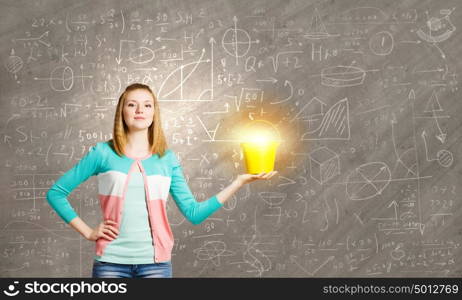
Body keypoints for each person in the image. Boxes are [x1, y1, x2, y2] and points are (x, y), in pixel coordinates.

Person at [46, 83, 278, 278]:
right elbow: (55, 193)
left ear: (154, 113)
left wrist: (239, 182)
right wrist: (88, 232)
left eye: (147, 105)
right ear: (122, 112)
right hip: (110, 264)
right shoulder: (102, 153)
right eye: (132, 104)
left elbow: (194, 213)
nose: (140, 110)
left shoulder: (166, 159)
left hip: (156, 266)